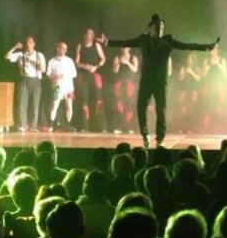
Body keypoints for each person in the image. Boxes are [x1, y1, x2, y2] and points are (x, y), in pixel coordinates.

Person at [98, 14, 219, 147]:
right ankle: (145, 135)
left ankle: (160, 138)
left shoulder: (168, 41)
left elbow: (188, 46)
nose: (160, 27)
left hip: (160, 81)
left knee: (161, 110)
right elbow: (126, 43)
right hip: (146, 80)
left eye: (161, 25)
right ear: (151, 27)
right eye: (157, 25)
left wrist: (207, 47)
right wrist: (107, 42)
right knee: (141, 108)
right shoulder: (143, 40)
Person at [5, 36, 46, 132]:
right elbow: (7, 57)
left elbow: (43, 69)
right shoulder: (20, 54)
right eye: (26, 42)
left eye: (30, 42)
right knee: (21, 104)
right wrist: (15, 47)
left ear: (34, 44)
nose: (28, 43)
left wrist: (34, 62)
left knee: (35, 104)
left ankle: (33, 126)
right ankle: (22, 125)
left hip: (36, 80)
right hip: (24, 80)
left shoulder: (39, 55)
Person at [75, 29, 108, 132]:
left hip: (94, 75)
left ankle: (102, 127)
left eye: (91, 34)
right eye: (88, 34)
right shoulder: (80, 46)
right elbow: (77, 62)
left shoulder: (96, 45)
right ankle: (84, 126)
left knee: (98, 100)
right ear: (84, 35)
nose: (90, 36)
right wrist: (84, 66)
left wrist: (95, 67)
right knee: (84, 100)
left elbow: (103, 59)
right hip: (83, 76)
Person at [46, 41, 77, 132]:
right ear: (58, 49)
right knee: (55, 105)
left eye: (65, 49)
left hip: (68, 87)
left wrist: (66, 75)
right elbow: (48, 75)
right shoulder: (52, 61)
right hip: (57, 86)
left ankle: (68, 124)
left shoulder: (69, 60)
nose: (64, 50)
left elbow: (74, 74)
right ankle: (51, 125)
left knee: (69, 106)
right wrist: (55, 76)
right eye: (62, 48)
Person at [110, 47, 139, 134]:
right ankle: (118, 127)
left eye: (126, 47)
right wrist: (119, 62)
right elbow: (115, 70)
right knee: (119, 105)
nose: (124, 49)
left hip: (130, 83)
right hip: (119, 83)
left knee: (129, 105)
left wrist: (127, 63)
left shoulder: (133, 57)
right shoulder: (117, 57)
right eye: (122, 47)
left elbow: (135, 70)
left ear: (129, 48)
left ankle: (130, 127)